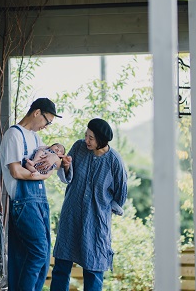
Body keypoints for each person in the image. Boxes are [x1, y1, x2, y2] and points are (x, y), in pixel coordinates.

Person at [0, 97, 69, 291]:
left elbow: (49, 163)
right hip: (24, 203)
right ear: (37, 112)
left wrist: (55, 157)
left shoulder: (35, 138)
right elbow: (15, 171)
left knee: (39, 256)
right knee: (39, 252)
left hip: (39, 201)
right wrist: (39, 176)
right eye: (47, 121)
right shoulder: (14, 135)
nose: (47, 126)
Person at [51, 118, 128, 291]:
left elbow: (121, 195)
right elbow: (67, 177)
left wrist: (103, 207)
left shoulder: (115, 161)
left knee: (94, 268)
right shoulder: (78, 147)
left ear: (101, 140)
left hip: (96, 221)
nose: (86, 140)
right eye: (86, 136)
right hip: (72, 214)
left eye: (91, 138)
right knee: (62, 265)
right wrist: (66, 166)